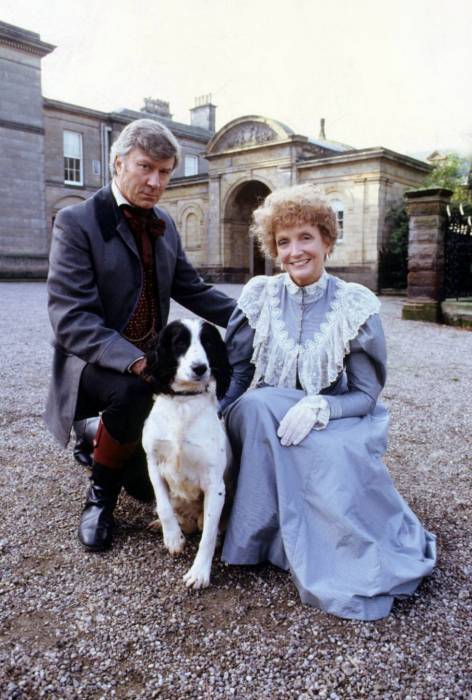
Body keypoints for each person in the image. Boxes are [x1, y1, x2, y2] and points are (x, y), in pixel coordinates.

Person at [219, 184, 436, 621]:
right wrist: (213, 418)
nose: (295, 251)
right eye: (284, 241)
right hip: (267, 412)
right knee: (256, 409)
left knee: (327, 452)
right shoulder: (259, 295)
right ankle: (258, 538)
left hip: (336, 415)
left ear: (326, 241)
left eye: (305, 238)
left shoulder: (353, 304)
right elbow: (238, 374)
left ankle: (336, 555)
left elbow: (365, 395)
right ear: (273, 248)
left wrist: (323, 407)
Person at [46, 118, 236, 552]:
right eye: (145, 167)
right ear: (118, 163)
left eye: (165, 172)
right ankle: (99, 500)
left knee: (147, 486)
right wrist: (135, 360)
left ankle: (97, 434)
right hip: (90, 361)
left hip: (152, 360)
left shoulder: (164, 222)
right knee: (134, 392)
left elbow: (192, 289)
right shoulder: (76, 221)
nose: (155, 182)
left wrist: (254, 317)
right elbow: (71, 318)